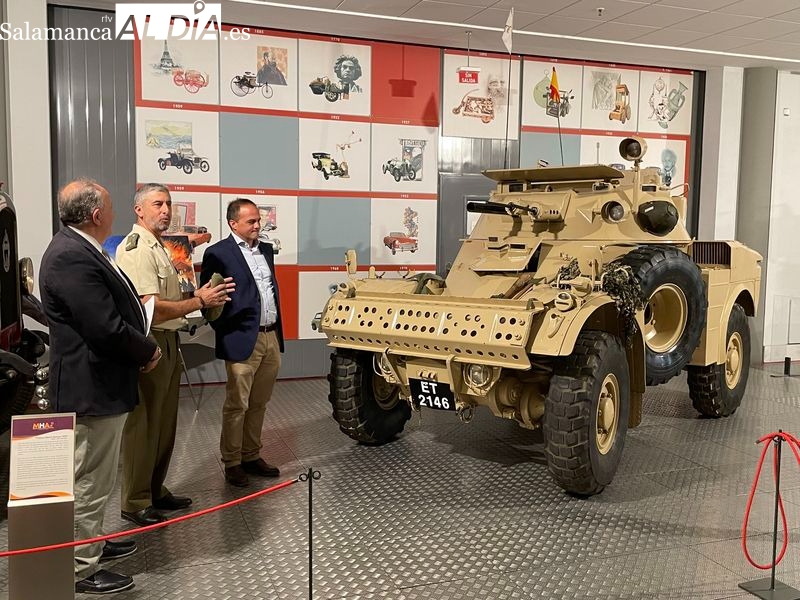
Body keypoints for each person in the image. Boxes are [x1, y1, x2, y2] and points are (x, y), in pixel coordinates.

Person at [40, 178, 161, 595]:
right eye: (110, 207)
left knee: (98, 476)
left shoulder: (79, 248)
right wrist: (145, 351)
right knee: (89, 479)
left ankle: (90, 543)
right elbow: (105, 327)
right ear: (96, 216)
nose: (115, 213)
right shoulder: (71, 256)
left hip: (99, 383)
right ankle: (79, 567)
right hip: (90, 388)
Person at [115, 183, 234, 526]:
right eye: (158, 204)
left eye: (168, 204)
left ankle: (154, 490)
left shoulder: (159, 247)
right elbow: (149, 307)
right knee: (145, 423)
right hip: (150, 341)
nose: (165, 210)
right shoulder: (137, 249)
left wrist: (199, 294)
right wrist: (199, 302)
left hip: (168, 341)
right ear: (139, 210)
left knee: (165, 422)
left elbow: (168, 296)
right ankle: (135, 501)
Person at [199, 198, 284, 487]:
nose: (258, 225)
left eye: (258, 220)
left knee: (260, 402)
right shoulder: (217, 253)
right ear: (233, 223)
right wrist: (228, 330)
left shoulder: (267, 250)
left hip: (271, 335)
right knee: (237, 404)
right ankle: (232, 462)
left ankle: (251, 455)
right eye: (251, 221)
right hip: (241, 339)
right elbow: (209, 305)